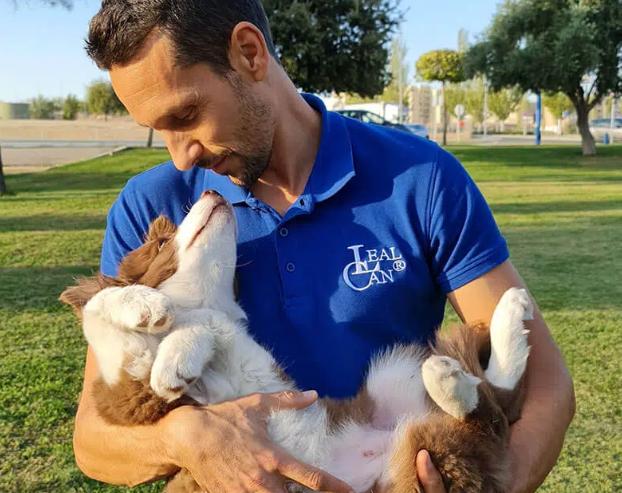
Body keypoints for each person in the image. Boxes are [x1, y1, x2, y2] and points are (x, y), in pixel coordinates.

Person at [73, 1, 575, 492]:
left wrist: (491, 483)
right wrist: (185, 439)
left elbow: (548, 387)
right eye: (158, 130)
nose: (181, 157)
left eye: (186, 114)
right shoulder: (152, 209)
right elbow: (94, 441)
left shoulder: (421, 177)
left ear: (249, 53)